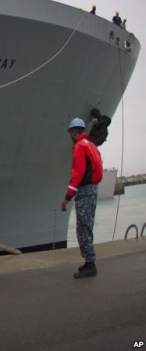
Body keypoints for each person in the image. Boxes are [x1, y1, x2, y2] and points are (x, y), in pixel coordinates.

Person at [61, 118, 103, 279]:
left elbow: (77, 174)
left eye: (70, 133)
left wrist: (67, 198)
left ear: (74, 132)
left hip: (85, 192)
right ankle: (89, 261)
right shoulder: (92, 146)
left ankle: (90, 264)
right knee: (88, 226)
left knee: (82, 228)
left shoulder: (79, 147)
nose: (70, 136)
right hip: (93, 190)